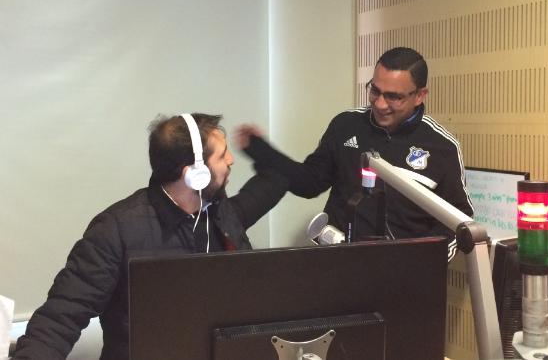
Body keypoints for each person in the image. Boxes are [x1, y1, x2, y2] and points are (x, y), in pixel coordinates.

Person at [13, 113, 288, 360]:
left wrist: (259, 149)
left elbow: (277, 180)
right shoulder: (116, 230)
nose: (230, 160)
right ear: (195, 174)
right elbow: (62, 315)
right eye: (222, 155)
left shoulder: (222, 214)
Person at [236, 47, 473, 254]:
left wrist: (422, 262)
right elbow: (310, 182)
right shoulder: (346, 125)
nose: (380, 104)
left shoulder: (442, 147)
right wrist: (262, 151)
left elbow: (459, 221)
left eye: (393, 97)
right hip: (339, 264)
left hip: (402, 274)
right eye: (375, 90)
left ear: (420, 95)